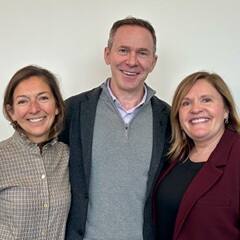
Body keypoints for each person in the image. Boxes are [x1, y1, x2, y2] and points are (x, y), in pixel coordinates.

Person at [59, 17, 171, 240]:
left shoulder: (169, 119)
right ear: (107, 54)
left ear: (153, 61)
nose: (132, 61)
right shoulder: (74, 110)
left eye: (142, 53)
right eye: (123, 50)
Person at [153, 71, 240, 240]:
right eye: (186, 103)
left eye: (206, 100)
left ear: (226, 110)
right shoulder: (175, 157)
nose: (196, 109)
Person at [0, 65, 71, 240]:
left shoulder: (67, 156)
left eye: (43, 98)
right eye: (23, 101)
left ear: (57, 107)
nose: (34, 109)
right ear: (11, 112)